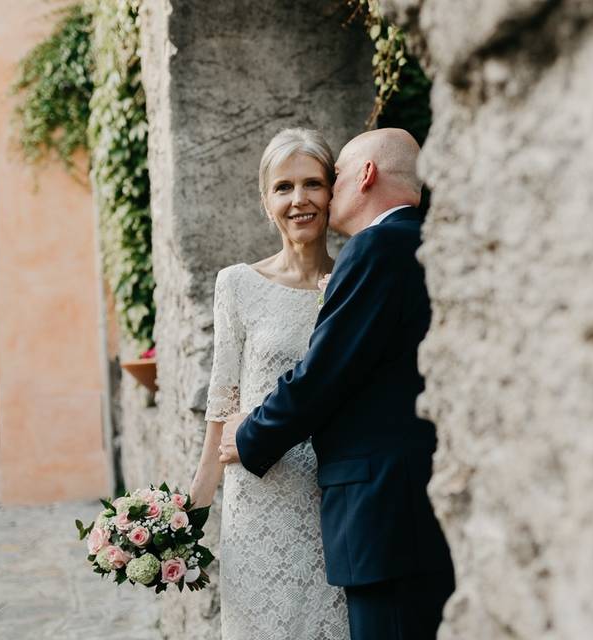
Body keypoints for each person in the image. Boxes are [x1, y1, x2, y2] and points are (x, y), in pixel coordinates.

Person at [218, 128, 454, 640]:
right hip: (419, 503)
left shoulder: (376, 248)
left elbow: (323, 376)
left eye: (333, 177)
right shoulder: (433, 242)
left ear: (365, 175)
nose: (320, 193)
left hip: (381, 515)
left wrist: (247, 435)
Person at [189, 128, 349, 639]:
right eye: (283, 187)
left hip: (336, 495)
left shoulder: (355, 280)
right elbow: (224, 399)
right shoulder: (237, 283)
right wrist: (193, 506)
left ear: (333, 192)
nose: (299, 200)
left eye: (312, 184)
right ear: (266, 202)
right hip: (259, 500)